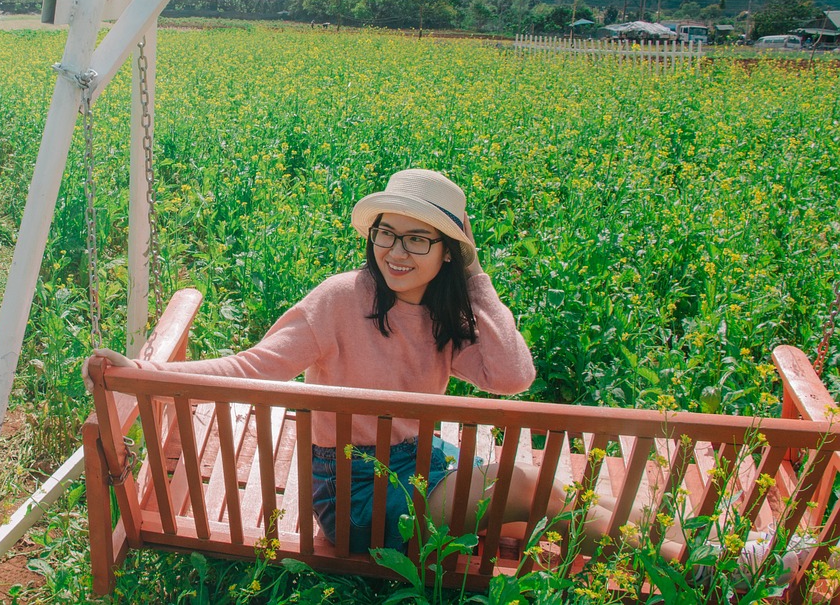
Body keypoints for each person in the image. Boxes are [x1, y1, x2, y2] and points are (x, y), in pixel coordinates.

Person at [81, 169, 687, 560]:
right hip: (358, 501)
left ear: (449, 254)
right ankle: (698, 563)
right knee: (531, 487)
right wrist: (138, 371)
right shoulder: (341, 300)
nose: (396, 252)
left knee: (550, 492)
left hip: (425, 469)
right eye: (386, 235)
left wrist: (477, 280)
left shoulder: (448, 317)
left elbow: (513, 376)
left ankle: (681, 550)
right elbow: (253, 367)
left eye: (419, 240)